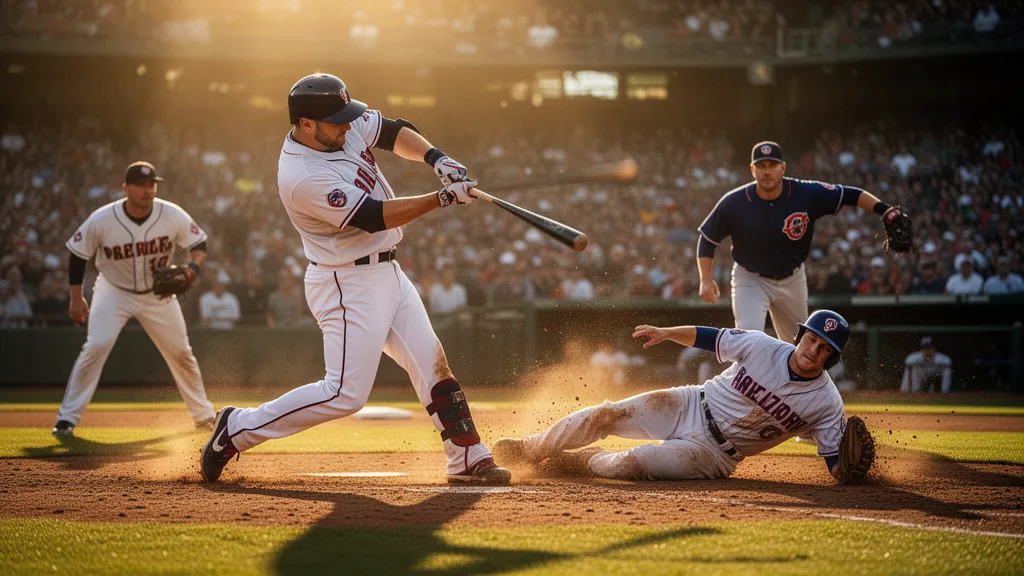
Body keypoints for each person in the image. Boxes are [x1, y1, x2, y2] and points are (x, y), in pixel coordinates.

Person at [200, 73, 510, 485]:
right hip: (346, 283)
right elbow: (371, 216)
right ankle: (236, 428)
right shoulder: (303, 175)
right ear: (305, 123)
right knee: (344, 393)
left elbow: (394, 131)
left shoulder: (335, 126)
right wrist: (441, 199)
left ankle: (466, 454)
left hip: (387, 272)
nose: (347, 126)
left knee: (431, 363)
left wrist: (437, 158)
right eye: (337, 121)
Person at [493, 310, 868, 483]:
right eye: (812, 339)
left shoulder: (826, 403)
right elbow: (712, 336)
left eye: (823, 349)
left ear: (831, 359)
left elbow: (836, 464)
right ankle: (530, 447)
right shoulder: (762, 345)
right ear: (800, 335)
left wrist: (851, 473)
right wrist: (667, 332)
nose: (813, 350)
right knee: (606, 414)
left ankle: (586, 463)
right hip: (690, 402)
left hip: (716, 455)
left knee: (636, 463)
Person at [54, 161, 216, 437]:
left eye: (151, 185)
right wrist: (76, 298)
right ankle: (66, 419)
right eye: (140, 185)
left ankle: (203, 416)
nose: (147, 190)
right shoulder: (103, 219)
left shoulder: (170, 213)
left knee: (181, 352)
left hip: (157, 293)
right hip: (114, 290)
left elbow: (199, 244)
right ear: (125, 188)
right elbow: (78, 254)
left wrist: (192, 268)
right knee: (96, 346)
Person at [696, 141, 909, 344]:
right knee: (747, 341)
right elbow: (707, 239)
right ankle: (746, 383)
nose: (767, 171)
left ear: (783, 168)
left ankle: (792, 384)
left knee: (797, 346)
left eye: (772, 165)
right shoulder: (734, 201)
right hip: (750, 278)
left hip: (792, 278)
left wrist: (884, 209)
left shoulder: (805, 193)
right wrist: (706, 279)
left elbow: (849, 194)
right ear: (752, 170)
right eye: (761, 166)